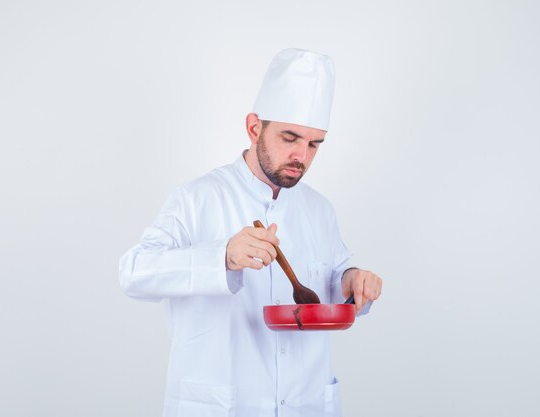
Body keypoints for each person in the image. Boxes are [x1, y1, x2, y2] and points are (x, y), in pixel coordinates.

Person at [119, 48, 382, 417]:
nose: (301, 157)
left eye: (314, 144)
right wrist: (221, 256)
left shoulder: (319, 209)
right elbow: (133, 274)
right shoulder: (197, 198)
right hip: (222, 405)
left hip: (307, 404)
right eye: (289, 138)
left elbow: (335, 275)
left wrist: (352, 279)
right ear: (254, 127)